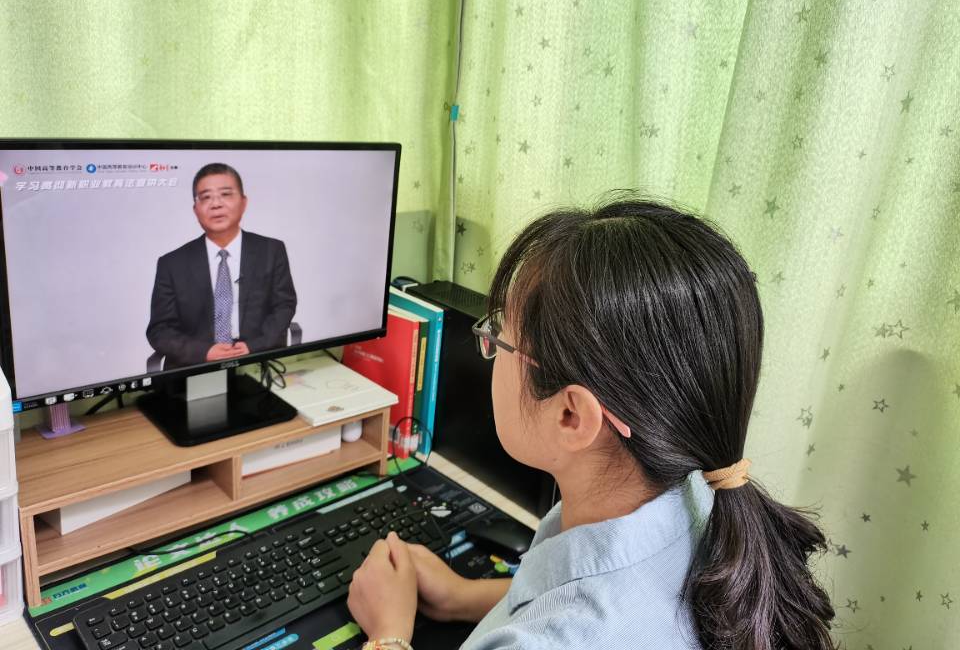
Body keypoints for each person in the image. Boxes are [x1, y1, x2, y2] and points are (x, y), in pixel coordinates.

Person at [346, 195, 836, 650]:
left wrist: (389, 633)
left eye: (500, 337)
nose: (489, 347)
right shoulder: (701, 495)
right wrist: (463, 597)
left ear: (571, 415)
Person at [146, 163, 297, 369]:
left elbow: (284, 306)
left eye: (225, 194)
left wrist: (254, 347)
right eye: (206, 197)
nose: (216, 204)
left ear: (243, 202)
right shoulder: (172, 263)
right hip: (195, 366)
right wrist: (204, 352)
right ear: (195, 210)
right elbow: (160, 330)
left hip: (256, 360)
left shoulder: (271, 250)